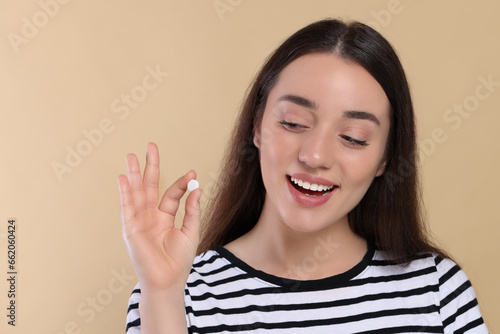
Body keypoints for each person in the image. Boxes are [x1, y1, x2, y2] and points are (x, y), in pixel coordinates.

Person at [118, 19, 489, 333]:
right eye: (293, 122)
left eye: (352, 138)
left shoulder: (437, 290)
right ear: (258, 127)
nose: (315, 156)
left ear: (385, 160)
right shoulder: (174, 293)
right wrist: (164, 293)